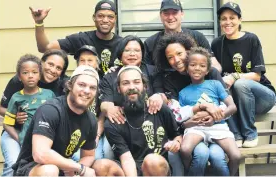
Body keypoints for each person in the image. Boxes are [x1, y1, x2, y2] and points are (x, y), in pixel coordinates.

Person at [154, 32, 230, 176]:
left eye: (179, 53)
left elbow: (227, 104)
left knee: (217, 157)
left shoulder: (211, 73)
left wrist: (214, 117)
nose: (176, 60)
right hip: (190, 132)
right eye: (170, 58)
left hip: (217, 129)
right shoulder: (170, 80)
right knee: (201, 154)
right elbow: (176, 113)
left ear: (188, 51)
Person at [12, 65, 105, 176]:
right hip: (31, 168)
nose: (86, 91)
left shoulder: (91, 120)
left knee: (104, 166)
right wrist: (79, 168)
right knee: (50, 170)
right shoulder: (50, 110)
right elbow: (40, 154)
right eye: (81, 85)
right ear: (70, 86)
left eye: (92, 88)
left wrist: (74, 171)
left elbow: (88, 155)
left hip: (61, 168)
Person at [211, 2, 276, 148]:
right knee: (221, 85)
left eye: (232, 18)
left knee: (239, 83)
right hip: (237, 102)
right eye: (224, 18)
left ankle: (250, 133)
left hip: (262, 98)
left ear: (240, 20)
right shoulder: (216, 43)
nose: (228, 22)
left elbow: (257, 76)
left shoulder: (251, 39)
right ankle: (236, 135)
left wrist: (234, 76)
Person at [101, 66, 182, 176]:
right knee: (101, 166)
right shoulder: (113, 121)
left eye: (136, 82)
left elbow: (177, 135)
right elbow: (126, 158)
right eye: (125, 83)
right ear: (119, 89)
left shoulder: (160, 109)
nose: (132, 87)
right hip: (128, 168)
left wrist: (176, 143)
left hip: (157, 168)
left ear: (144, 86)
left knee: (151, 161)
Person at [0, 49, 68, 176]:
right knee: (13, 163)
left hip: (44, 137)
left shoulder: (56, 90)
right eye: (50, 64)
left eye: (58, 68)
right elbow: (4, 114)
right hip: (17, 133)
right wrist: (16, 118)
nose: (30, 75)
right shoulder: (16, 91)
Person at [177, 47, 241, 176]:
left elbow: (232, 107)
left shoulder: (215, 84)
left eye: (202, 66)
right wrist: (192, 121)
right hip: (196, 128)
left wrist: (216, 117)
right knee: (184, 150)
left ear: (207, 70)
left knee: (236, 156)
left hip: (218, 127)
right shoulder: (183, 92)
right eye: (193, 65)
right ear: (187, 68)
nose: (197, 68)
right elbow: (182, 119)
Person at [29, 0, 122, 76]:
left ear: (115, 19)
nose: (105, 20)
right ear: (94, 17)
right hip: (85, 92)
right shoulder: (81, 39)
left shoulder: (123, 44)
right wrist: (39, 22)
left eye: (110, 17)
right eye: (101, 16)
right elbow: (44, 48)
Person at [143, 0, 222, 72]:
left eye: (174, 12)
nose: (170, 17)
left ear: (182, 14)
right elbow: (146, 71)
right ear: (161, 16)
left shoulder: (197, 37)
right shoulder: (150, 42)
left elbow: (214, 64)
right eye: (166, 13)